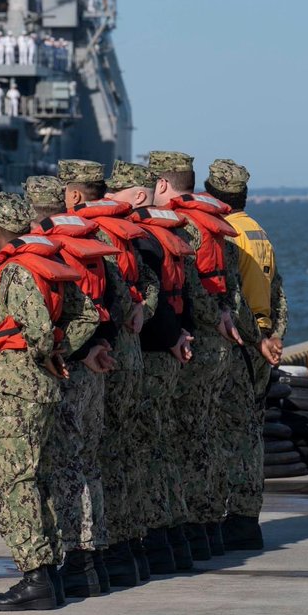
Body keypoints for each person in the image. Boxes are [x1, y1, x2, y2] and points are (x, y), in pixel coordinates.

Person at [0, 193, 82, 611]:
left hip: (18, 388)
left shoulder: (15, 272)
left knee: (9, 485)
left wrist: (44, 351)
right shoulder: (45, 264)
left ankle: (34, 578)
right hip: (40, 388)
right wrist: (58, 352)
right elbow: (77, 317)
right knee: (38, 479)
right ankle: (49, 574)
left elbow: (36, 327)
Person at [60, 163, 161, 586]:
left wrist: (73, 349)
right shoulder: (127, 233)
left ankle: (92, 557)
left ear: (74, 198)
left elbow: (93, 306)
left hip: (100, 358)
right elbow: (140, 291)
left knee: (86, 460)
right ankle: (129, 552)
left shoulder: (86, 233)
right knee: (126, 452)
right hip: (129, 350)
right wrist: (145, 312)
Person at [29, 170, 119, 595]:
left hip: (68, 371)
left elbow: (64, 316)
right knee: (87, 463)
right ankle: (95, 559)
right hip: (95, 367)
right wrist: (98, 344)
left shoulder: (54, 251)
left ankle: (77, 562)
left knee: (63, 468)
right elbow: (115, 300)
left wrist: (67, 351)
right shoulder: (91, 246)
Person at [149, 150, 242, 560]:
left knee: (176, 444)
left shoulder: (181, 227)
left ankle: (183, 532)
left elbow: (193, 290)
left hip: (192, 345)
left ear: (163, 185)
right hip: (218, 345)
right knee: (204, 438)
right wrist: (226, 319)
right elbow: (227, 289)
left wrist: (196, 325)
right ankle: (207, 531)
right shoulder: (215, 224)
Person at [107, 161, 198, 573]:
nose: (107, 199)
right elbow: (184, 293)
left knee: (130, 454)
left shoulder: (139, 239)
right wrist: (181, 333)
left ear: (139, 195)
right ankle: (172, 541)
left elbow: (147, 298)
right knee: (163, 447)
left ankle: (137, 549)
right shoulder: (168, 233)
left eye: (116, 191)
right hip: (171, 348)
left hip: (143, 356)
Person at [206, 159, 289, 551]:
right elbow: (278, 295)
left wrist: (255, 339)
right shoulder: (259, 233)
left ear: (210, 193)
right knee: (250, 435)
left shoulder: (227, 235)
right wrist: (274, 337)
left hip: (241, 344)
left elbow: (234, 297)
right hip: (260, 343)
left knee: (229, 435)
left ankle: (235, 519)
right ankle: (246, 518)